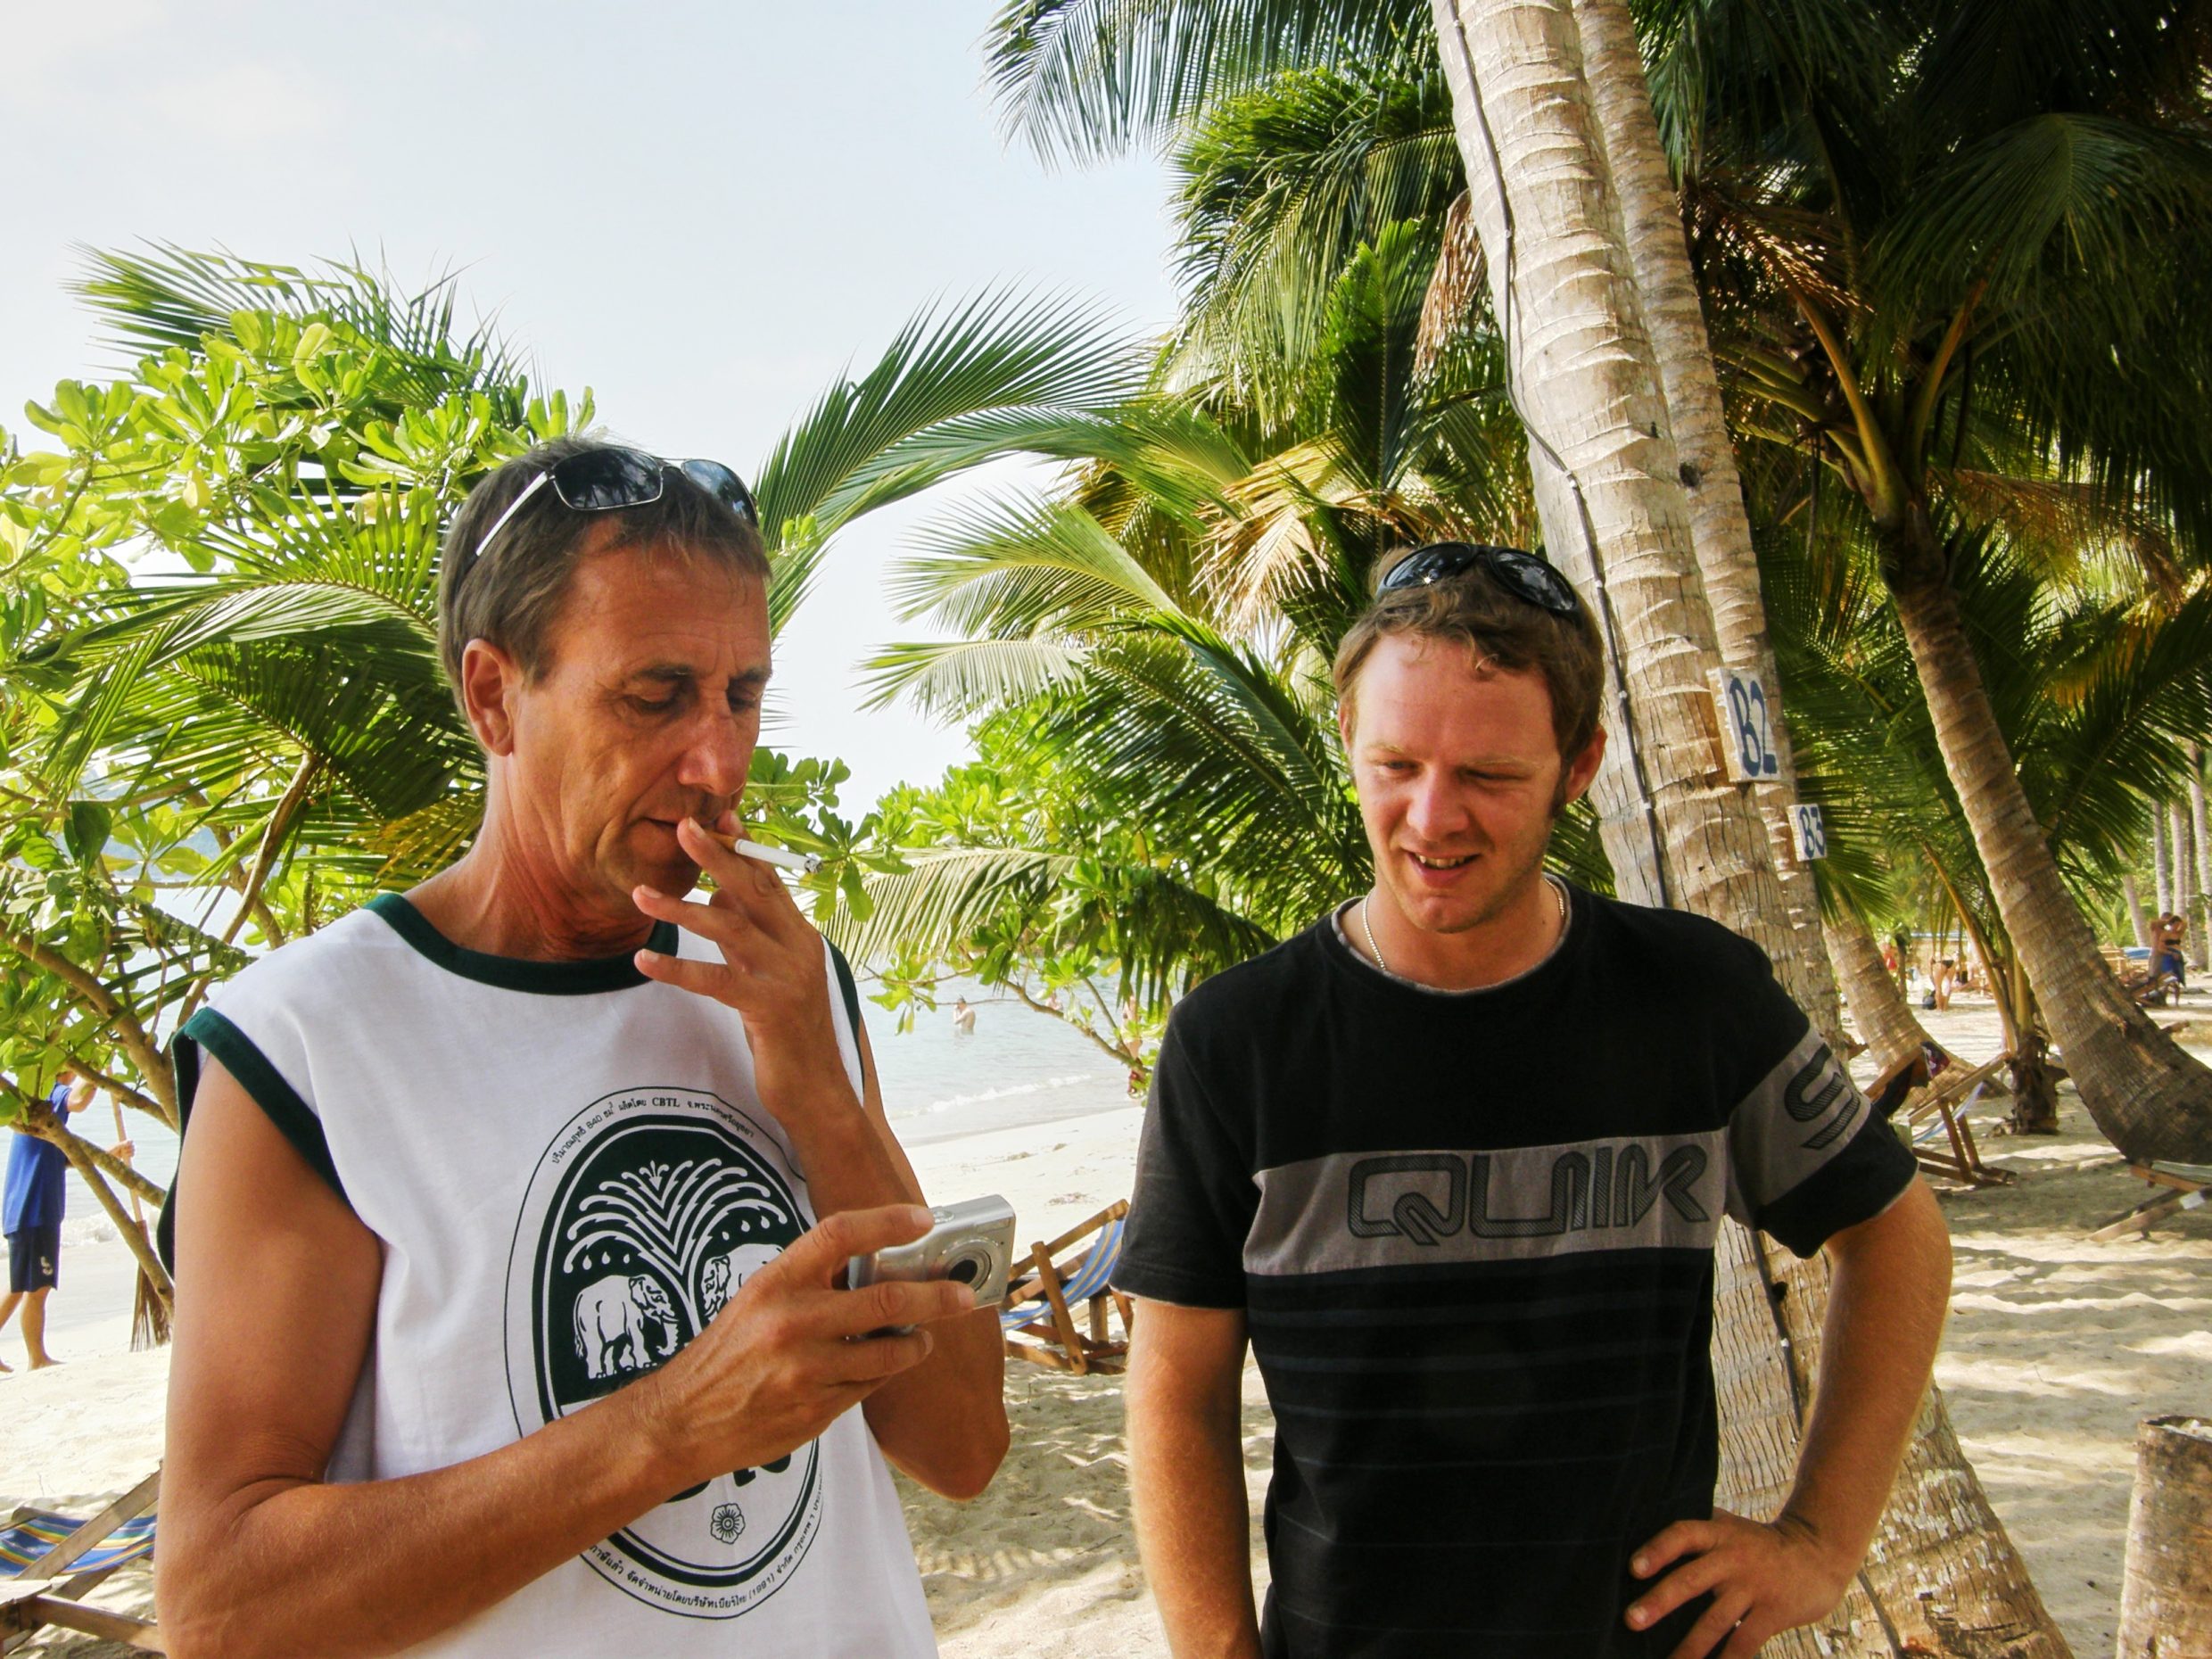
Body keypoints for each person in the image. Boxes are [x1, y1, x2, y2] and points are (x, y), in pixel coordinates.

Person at [157, 439, 1008, 1658]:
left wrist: (818, 1088)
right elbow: (219, 1605)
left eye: (744, 694)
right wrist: (672, 1427)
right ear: (495, 696)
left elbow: (962, 1447)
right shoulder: (305, 1048)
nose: (719, 762)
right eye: (655, 696)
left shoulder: (788, 978)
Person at [1115, 542, 1951, 1659]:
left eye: (1489, 778)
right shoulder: (1235, 1044)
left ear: (1579, 764)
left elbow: (1895, 1238)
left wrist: (1816, 1541)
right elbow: (1176, 1384)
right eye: (1393, 764)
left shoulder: (1692, 998)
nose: (1430, 818)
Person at [1, 1068, 95, 1372]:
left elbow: (60, 1159)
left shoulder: (39, 1113)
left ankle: (37, 1356)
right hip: (34, 1209)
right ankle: (37, 1358)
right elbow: (79, 1100)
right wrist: (94, 1072)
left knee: (21, 1286)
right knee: (36, 1287)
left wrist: (112, 1154)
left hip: (28, 1209)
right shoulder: (49, 1097)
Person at [2154, 911, 2188, 986]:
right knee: (2168, 976)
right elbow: (2160, 948)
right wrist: (2172, 953)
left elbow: (2185, 924)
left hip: (2178, 954)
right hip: (2169, 955)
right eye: (2175, 925)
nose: (2177, 927)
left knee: (2178, 977)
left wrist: (2176, 919)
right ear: (2171, 925)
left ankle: (2177, 996)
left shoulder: (2178, 933)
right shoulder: (2165, 934)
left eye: (2178, 925)